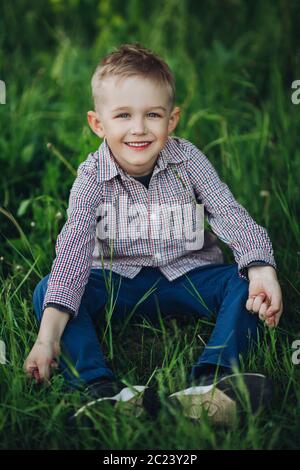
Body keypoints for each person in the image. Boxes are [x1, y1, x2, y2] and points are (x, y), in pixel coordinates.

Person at [23, 43, 283, 425]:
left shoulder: (187, 159)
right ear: (98, 123)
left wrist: (261, 266)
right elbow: (74, 252)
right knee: (50, 289)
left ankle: (213, 382)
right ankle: (100, 391)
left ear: (172, 119)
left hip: (190, 276)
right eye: (123, 115)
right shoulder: (91, 176)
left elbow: (228, 212)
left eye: (153, 115)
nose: (139, 128)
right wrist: (47, 338)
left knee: (246, 282)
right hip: (118, 284)